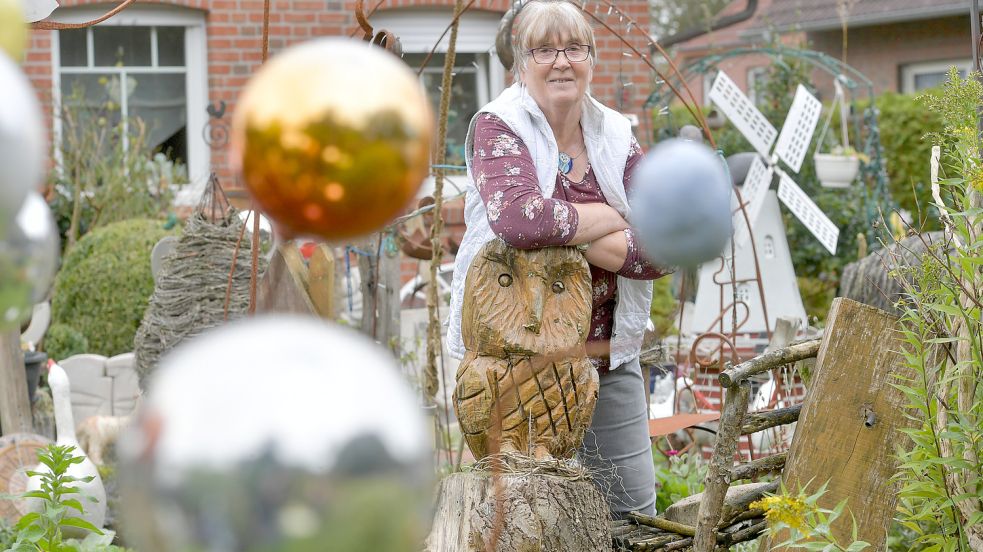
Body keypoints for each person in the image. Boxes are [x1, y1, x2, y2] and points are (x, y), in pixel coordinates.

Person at [447, 0, 672, 518]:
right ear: (520, 66)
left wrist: (563, 226)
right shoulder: (498, 127)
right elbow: (519, 222)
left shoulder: (616, 135)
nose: (561, 61)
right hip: (515, 368)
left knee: (632, 516)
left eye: (574, 47)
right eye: (543, 49)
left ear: (592, 59)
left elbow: (661, 247)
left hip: (606, 357)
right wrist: (615, 217)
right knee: (528, 520)